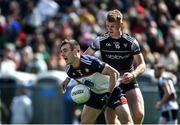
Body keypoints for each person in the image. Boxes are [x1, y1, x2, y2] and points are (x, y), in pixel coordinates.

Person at [83, 9, 146, 124]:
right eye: (107, 26)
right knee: (111, 121)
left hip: (128, 81)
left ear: (121, 24)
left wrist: (133, 75)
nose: (109, 29)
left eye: (112, 26)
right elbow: (84, 58)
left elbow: (142, 65)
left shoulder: (131, 42)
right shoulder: (100, 41)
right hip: (111, 83)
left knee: (138, 114)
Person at [60, 39, 133, 124]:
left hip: (113, 91)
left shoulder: (91, 62)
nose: (62, 54)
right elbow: (79, 79)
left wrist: (108, 94)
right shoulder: (69, 71)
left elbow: (115, 73)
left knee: (127, 122)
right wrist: (81, 95)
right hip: (95, 94)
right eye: (61, 51)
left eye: (65, 50)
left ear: (76, 51)